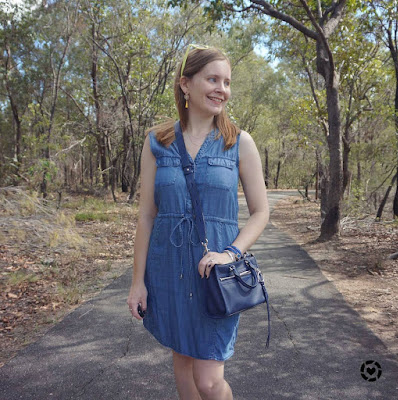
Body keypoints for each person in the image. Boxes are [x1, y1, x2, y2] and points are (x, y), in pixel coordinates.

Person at [127, 44, 269, 400]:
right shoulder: (157, 142)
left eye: (227, 81)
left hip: (214, 274)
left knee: (208, 380)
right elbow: (146, 215)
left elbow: (261, 212)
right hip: (167, 269)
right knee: (183, 363)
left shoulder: (239, 143)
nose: (222, 88)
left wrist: (231, 253)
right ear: (185, 84)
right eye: (212, 79)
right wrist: (137, 282)